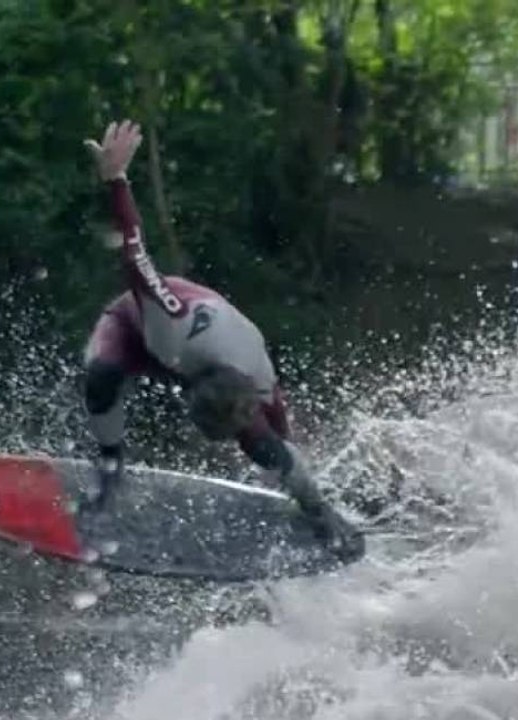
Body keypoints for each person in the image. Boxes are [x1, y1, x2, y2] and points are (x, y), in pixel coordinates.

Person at [78, 119, 361, 556]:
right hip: (133, 329)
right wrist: (116, 180)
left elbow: (281, 439)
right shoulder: (170, 320)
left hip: (217, 370)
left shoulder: (258, 377)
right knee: (102, 375)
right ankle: (110, 465)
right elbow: (134, 251)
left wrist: (313, 505)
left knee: (268, 449)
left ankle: (319, 511)